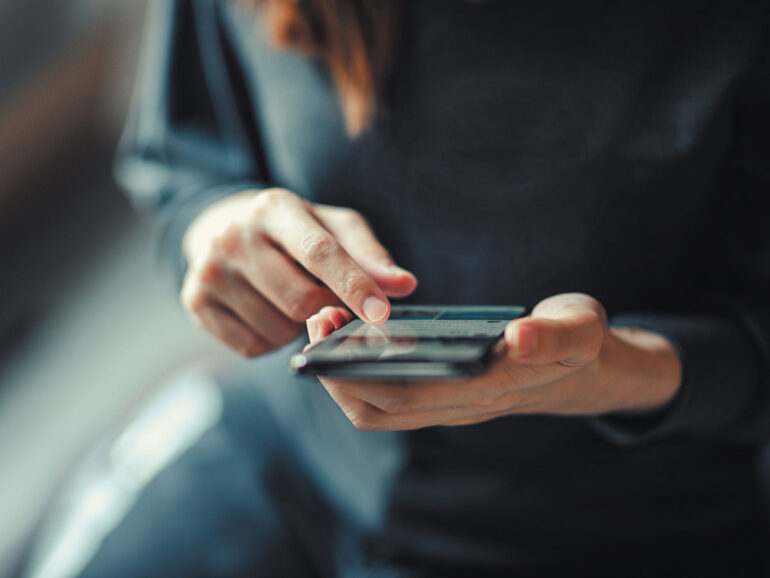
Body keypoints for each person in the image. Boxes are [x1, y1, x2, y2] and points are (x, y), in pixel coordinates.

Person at [81, 0, 770, 575]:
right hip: (292, 452)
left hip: (609, 531)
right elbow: (180, 156)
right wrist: (211, 231)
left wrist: (621, 370)